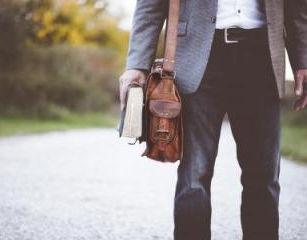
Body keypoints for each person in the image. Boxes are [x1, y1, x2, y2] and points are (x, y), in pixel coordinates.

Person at [119, 1, 307, 239]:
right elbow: (150, 5)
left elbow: (297, 7)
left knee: (264, 176)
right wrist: (137, 64)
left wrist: (303, 59)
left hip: (263, 56)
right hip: (198, 57)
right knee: (194, 176)